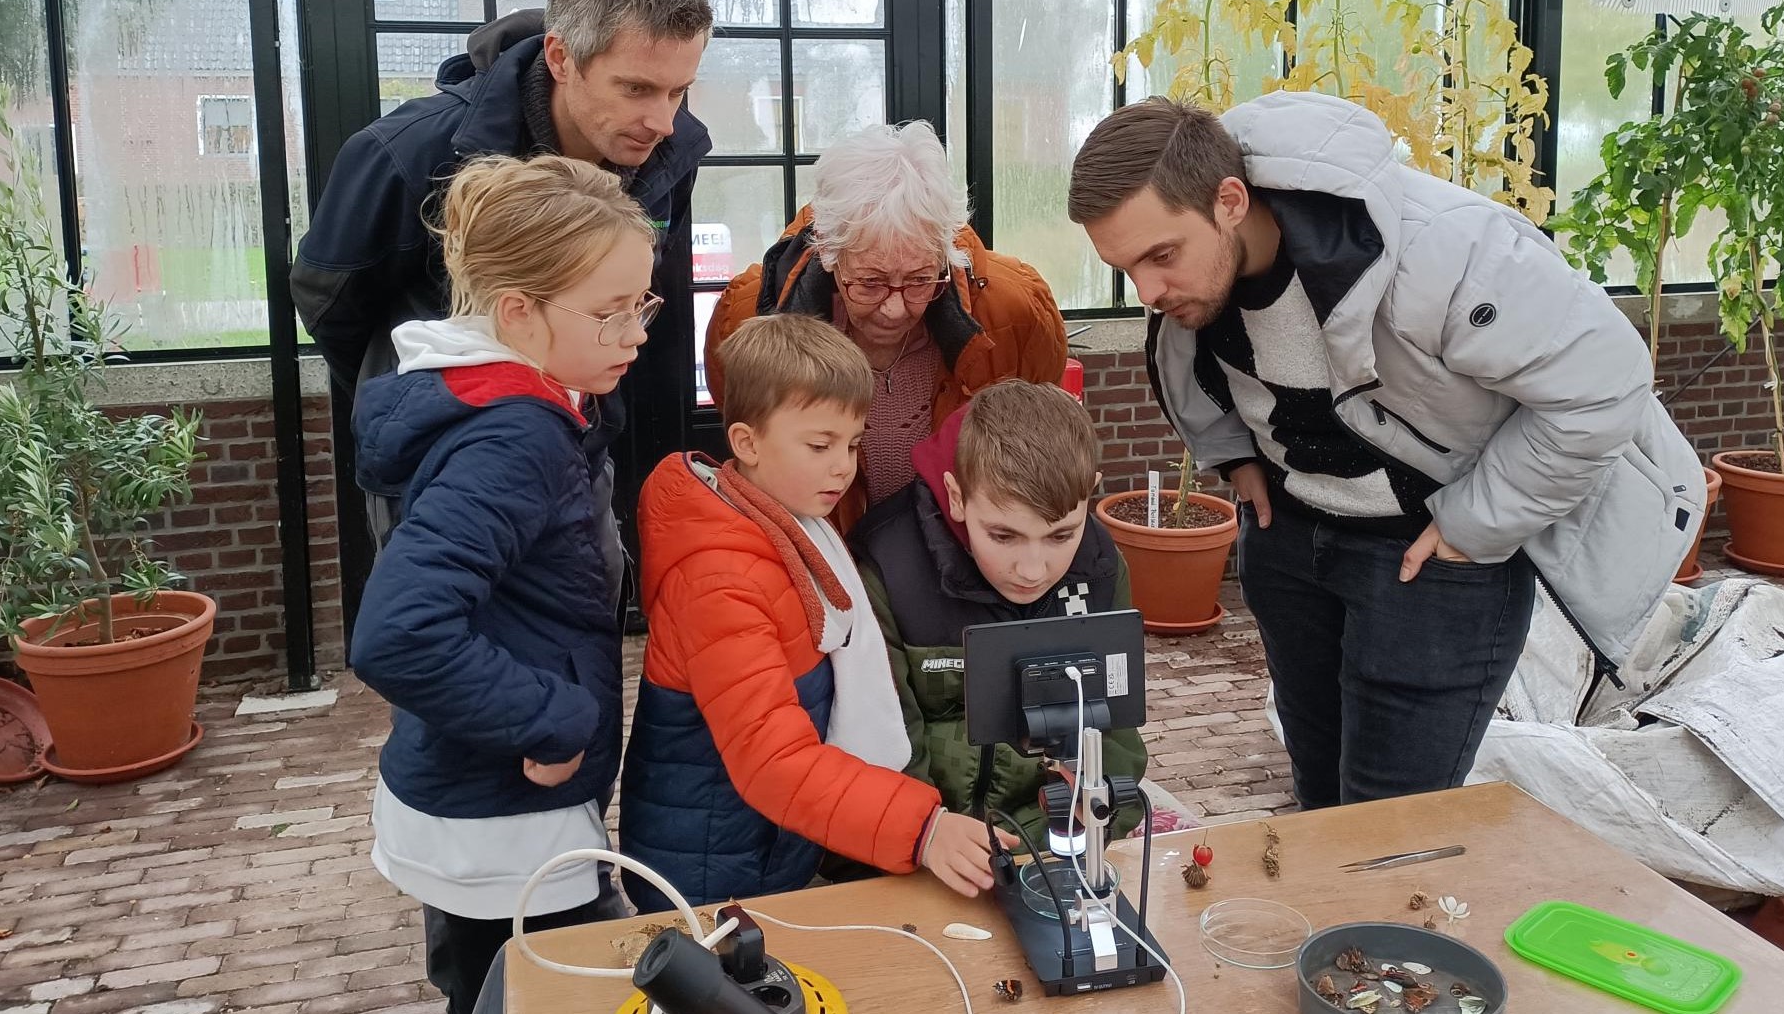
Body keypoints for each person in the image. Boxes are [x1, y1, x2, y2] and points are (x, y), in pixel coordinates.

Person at [1067, 93, 1703, 811]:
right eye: (1127, 269)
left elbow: (1604, 384)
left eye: (1161, 256)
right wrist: (1234, 459)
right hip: (1290, 543)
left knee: (1390, 827)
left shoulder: (1447, 251)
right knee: (1319, 805)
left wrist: (1475, 525)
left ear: (1231, 200)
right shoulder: (1195, 283)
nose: (1147, 291)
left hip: (1431, 558)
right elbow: (1191, 369)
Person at [346, 155, 660, 1014]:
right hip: (509, 821)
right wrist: (557, 718)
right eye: (611, 312)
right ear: (517, 313)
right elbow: (398, 632)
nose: (636, 333)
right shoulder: (513, 437)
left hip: (480, 801)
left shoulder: (497, 399)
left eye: (643, 305)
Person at [619, 314, 1013, 911]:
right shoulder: (719, 579)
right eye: (820, 445)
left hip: (760, 845)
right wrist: (922, 829)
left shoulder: (782, 524)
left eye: (853, 444)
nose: (843, 466)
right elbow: (772, 760)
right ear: (747, 443)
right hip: (705, 867)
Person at [291, 0, 711, 399]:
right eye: (635, 88)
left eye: (678, 91)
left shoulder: (674, 153)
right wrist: (419, 404)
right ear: (561, 58)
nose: (664, 123)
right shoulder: (407, 152)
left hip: (582, 437)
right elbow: (329, 304)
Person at [705, 121, 1066, 531]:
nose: (895, 309)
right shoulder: (749, 316)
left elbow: (1037, 440)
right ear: (828, 252)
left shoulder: (1016, 310)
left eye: (919, 279)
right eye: (870, 282)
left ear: (945, 250)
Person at [852, 379, 1146, 845]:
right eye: (1003, 536)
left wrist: (1044, 838)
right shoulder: (887, 570)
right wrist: (928, 838)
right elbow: (880, 744)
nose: (1032, 570)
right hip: (922, 843)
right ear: (955, 496)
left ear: (1089, 494)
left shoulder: (1102, 570)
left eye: (1060, 536)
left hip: (1049, 839)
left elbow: (1115, 739)